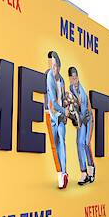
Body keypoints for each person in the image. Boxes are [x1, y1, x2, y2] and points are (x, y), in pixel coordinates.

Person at [45, 51, 70, 189]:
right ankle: (60, 174)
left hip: (61, 115)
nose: (53, 68)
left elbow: (63, 99)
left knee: (62, 142)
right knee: (55, 144)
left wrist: (66, 112)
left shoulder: (62, 80)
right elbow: (53, 103)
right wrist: (63, 111)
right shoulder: (49, 77)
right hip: (52, 114)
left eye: (55, 66)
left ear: (59, 66)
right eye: (52, 65)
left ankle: (63, 174)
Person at [67, 67, 96, 186]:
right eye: (71, 78)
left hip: (88, 119)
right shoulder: (71, 88)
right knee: (79, 143)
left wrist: (76, 119)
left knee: (86, 143)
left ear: (77, 77)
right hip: (81, 117)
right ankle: (84, 173)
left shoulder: (82, 91)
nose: (73, 80)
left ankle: (91, 170)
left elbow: (83, 112)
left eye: (75, 77)